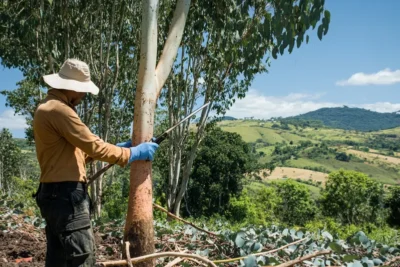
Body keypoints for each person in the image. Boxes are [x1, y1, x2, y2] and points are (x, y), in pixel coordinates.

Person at [33, 58, 159, 267]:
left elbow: (77, 155)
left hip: (52, 195)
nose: (82, 96)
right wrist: (131, 154)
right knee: (82, 257)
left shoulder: (46, 109)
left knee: (58, 259)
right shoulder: (59, 110)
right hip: (66, 197)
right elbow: (94, 146)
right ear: (72, 88)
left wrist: (122, 147)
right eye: (82, 91)